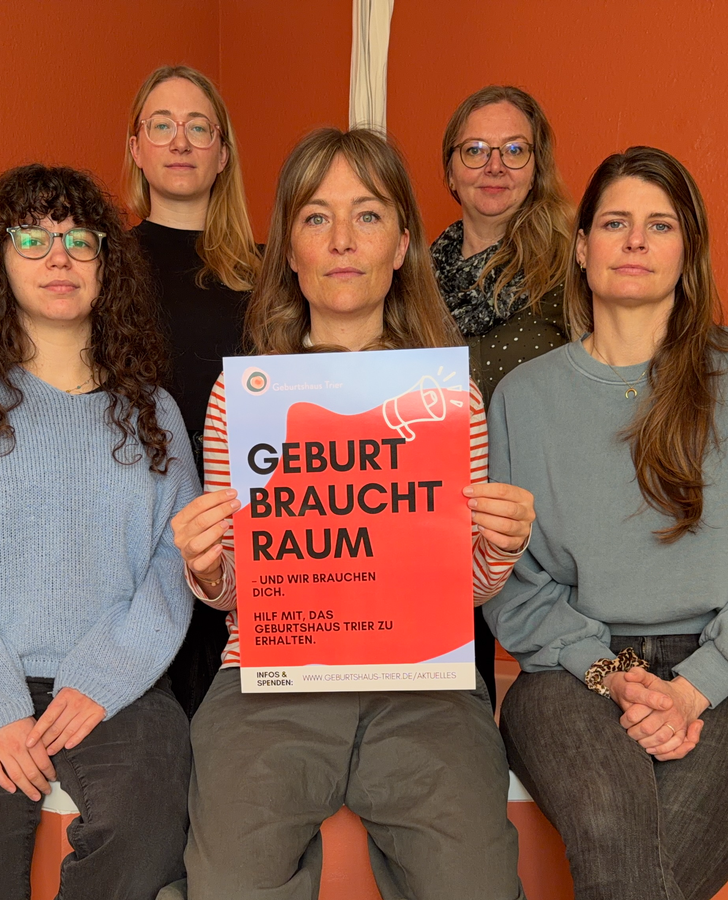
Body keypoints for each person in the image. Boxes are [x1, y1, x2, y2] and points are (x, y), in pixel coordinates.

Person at [171, 129, 533, 900]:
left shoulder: (452, 401)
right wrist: (207, 566)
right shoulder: (242, 398)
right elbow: (237, 593)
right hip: (271, 679)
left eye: (367, 215)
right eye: (316, 217)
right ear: (289, 252)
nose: (341, 240)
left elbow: (461, 590)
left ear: (401, 245)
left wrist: (499, 547)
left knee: (474, 884)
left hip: (424, 686)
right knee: (228, 884)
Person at [483, 146, 728, 900]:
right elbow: (515, 583)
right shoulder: (522, 398)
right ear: (581, 247)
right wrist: (612, 675)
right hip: (572, 675)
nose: (636, 241)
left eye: (661, 225)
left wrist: (693, 688)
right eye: (615, 222)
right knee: (615, 839)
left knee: (635, 875)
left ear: (688, 251)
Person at [0, 164, 198, 900]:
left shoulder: (154, 410)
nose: (59, 257)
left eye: (79, 240)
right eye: (32, 238)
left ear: (106, 264)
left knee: (145, 839)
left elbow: (175, 562)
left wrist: (106, 678)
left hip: (117, 686)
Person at [126, 64, 262, 718]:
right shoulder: (99, 267)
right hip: (139, 524)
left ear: (222, 153)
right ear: (136, 148)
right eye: (162, 125)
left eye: (198, 127)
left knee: (227, 724)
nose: (180, 141)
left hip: (245, 524)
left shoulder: (269, 270)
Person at [432, 85, 573, 711]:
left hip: (540, 519)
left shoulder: (572, 269)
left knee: (559, 689)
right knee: (453, 699)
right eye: (476, 150)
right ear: (450, 171)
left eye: (514, 150)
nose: (494, 166)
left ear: (537, 166)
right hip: (438, 521)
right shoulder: (412, 277)